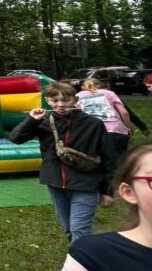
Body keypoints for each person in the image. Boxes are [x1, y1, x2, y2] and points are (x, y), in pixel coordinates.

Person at [9, 81, 114, 243]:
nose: (60, 105)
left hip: (86, 183)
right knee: (68, 229)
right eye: (55, 100)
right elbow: (15, 138)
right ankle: (82, 254)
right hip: (56, 183)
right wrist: (31, 120)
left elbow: (109, 157)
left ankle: (79, 258)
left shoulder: (93, 124)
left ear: (75, 100)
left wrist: (108, 191)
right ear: (48, 101)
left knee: (79, 228)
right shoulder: (43, 122)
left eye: (65, 100)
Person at [77, 78, 133, 176]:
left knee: (96, 163)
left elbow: (77, 116)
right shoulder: (109, 93)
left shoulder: (78, 96)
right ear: (99, 85)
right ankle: (118, 182)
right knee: (118, 162)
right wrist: (128, 128)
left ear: (83, 87)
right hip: (115, 130)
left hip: (92, 132)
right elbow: (124, 112)